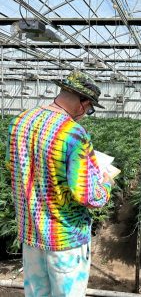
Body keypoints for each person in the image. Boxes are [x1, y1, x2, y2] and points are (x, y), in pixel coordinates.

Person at [5, 70, 113, 297]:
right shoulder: (73, 133)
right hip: (65, 238)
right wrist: (106, 184)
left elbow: (11, 166)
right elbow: (87, 196)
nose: (86, 113)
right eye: (90, 109)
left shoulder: (19, 123)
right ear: (83, 103)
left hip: (31, 232)